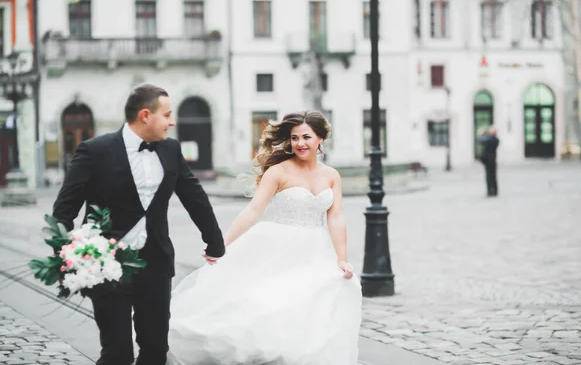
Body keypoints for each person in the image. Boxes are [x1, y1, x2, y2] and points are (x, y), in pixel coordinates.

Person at [166, 111, 362, 365]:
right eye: (294, 138)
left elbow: (335, 218)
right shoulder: (278, 172)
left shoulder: (332, 175)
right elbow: (252, 211)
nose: (300, 143)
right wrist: (221, 245)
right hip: (279, 247)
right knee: (270, 305)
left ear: (320, 139)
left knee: (315, 306)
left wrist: (342, 258)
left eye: (306, 137)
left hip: (317, 250)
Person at [52, 84, 226, 365]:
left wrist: (214, 241)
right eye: (167, 114)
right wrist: (66, 257)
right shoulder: (94, 150)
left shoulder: (171, 149)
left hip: (155, 264)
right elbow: (64, 209)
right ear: (145, 115)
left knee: (156, 350)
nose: (172, 121)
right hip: (106, 264)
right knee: (117, 353)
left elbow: (194, 196)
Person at [478, 125, 499, 197]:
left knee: (490, 177)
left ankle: (491, 191)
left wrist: (481, 133)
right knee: (492, 177)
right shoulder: (494, 139)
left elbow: (481, 140)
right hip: (491, 161)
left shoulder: (493, 139)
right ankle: (493, 191)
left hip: (490, 161)